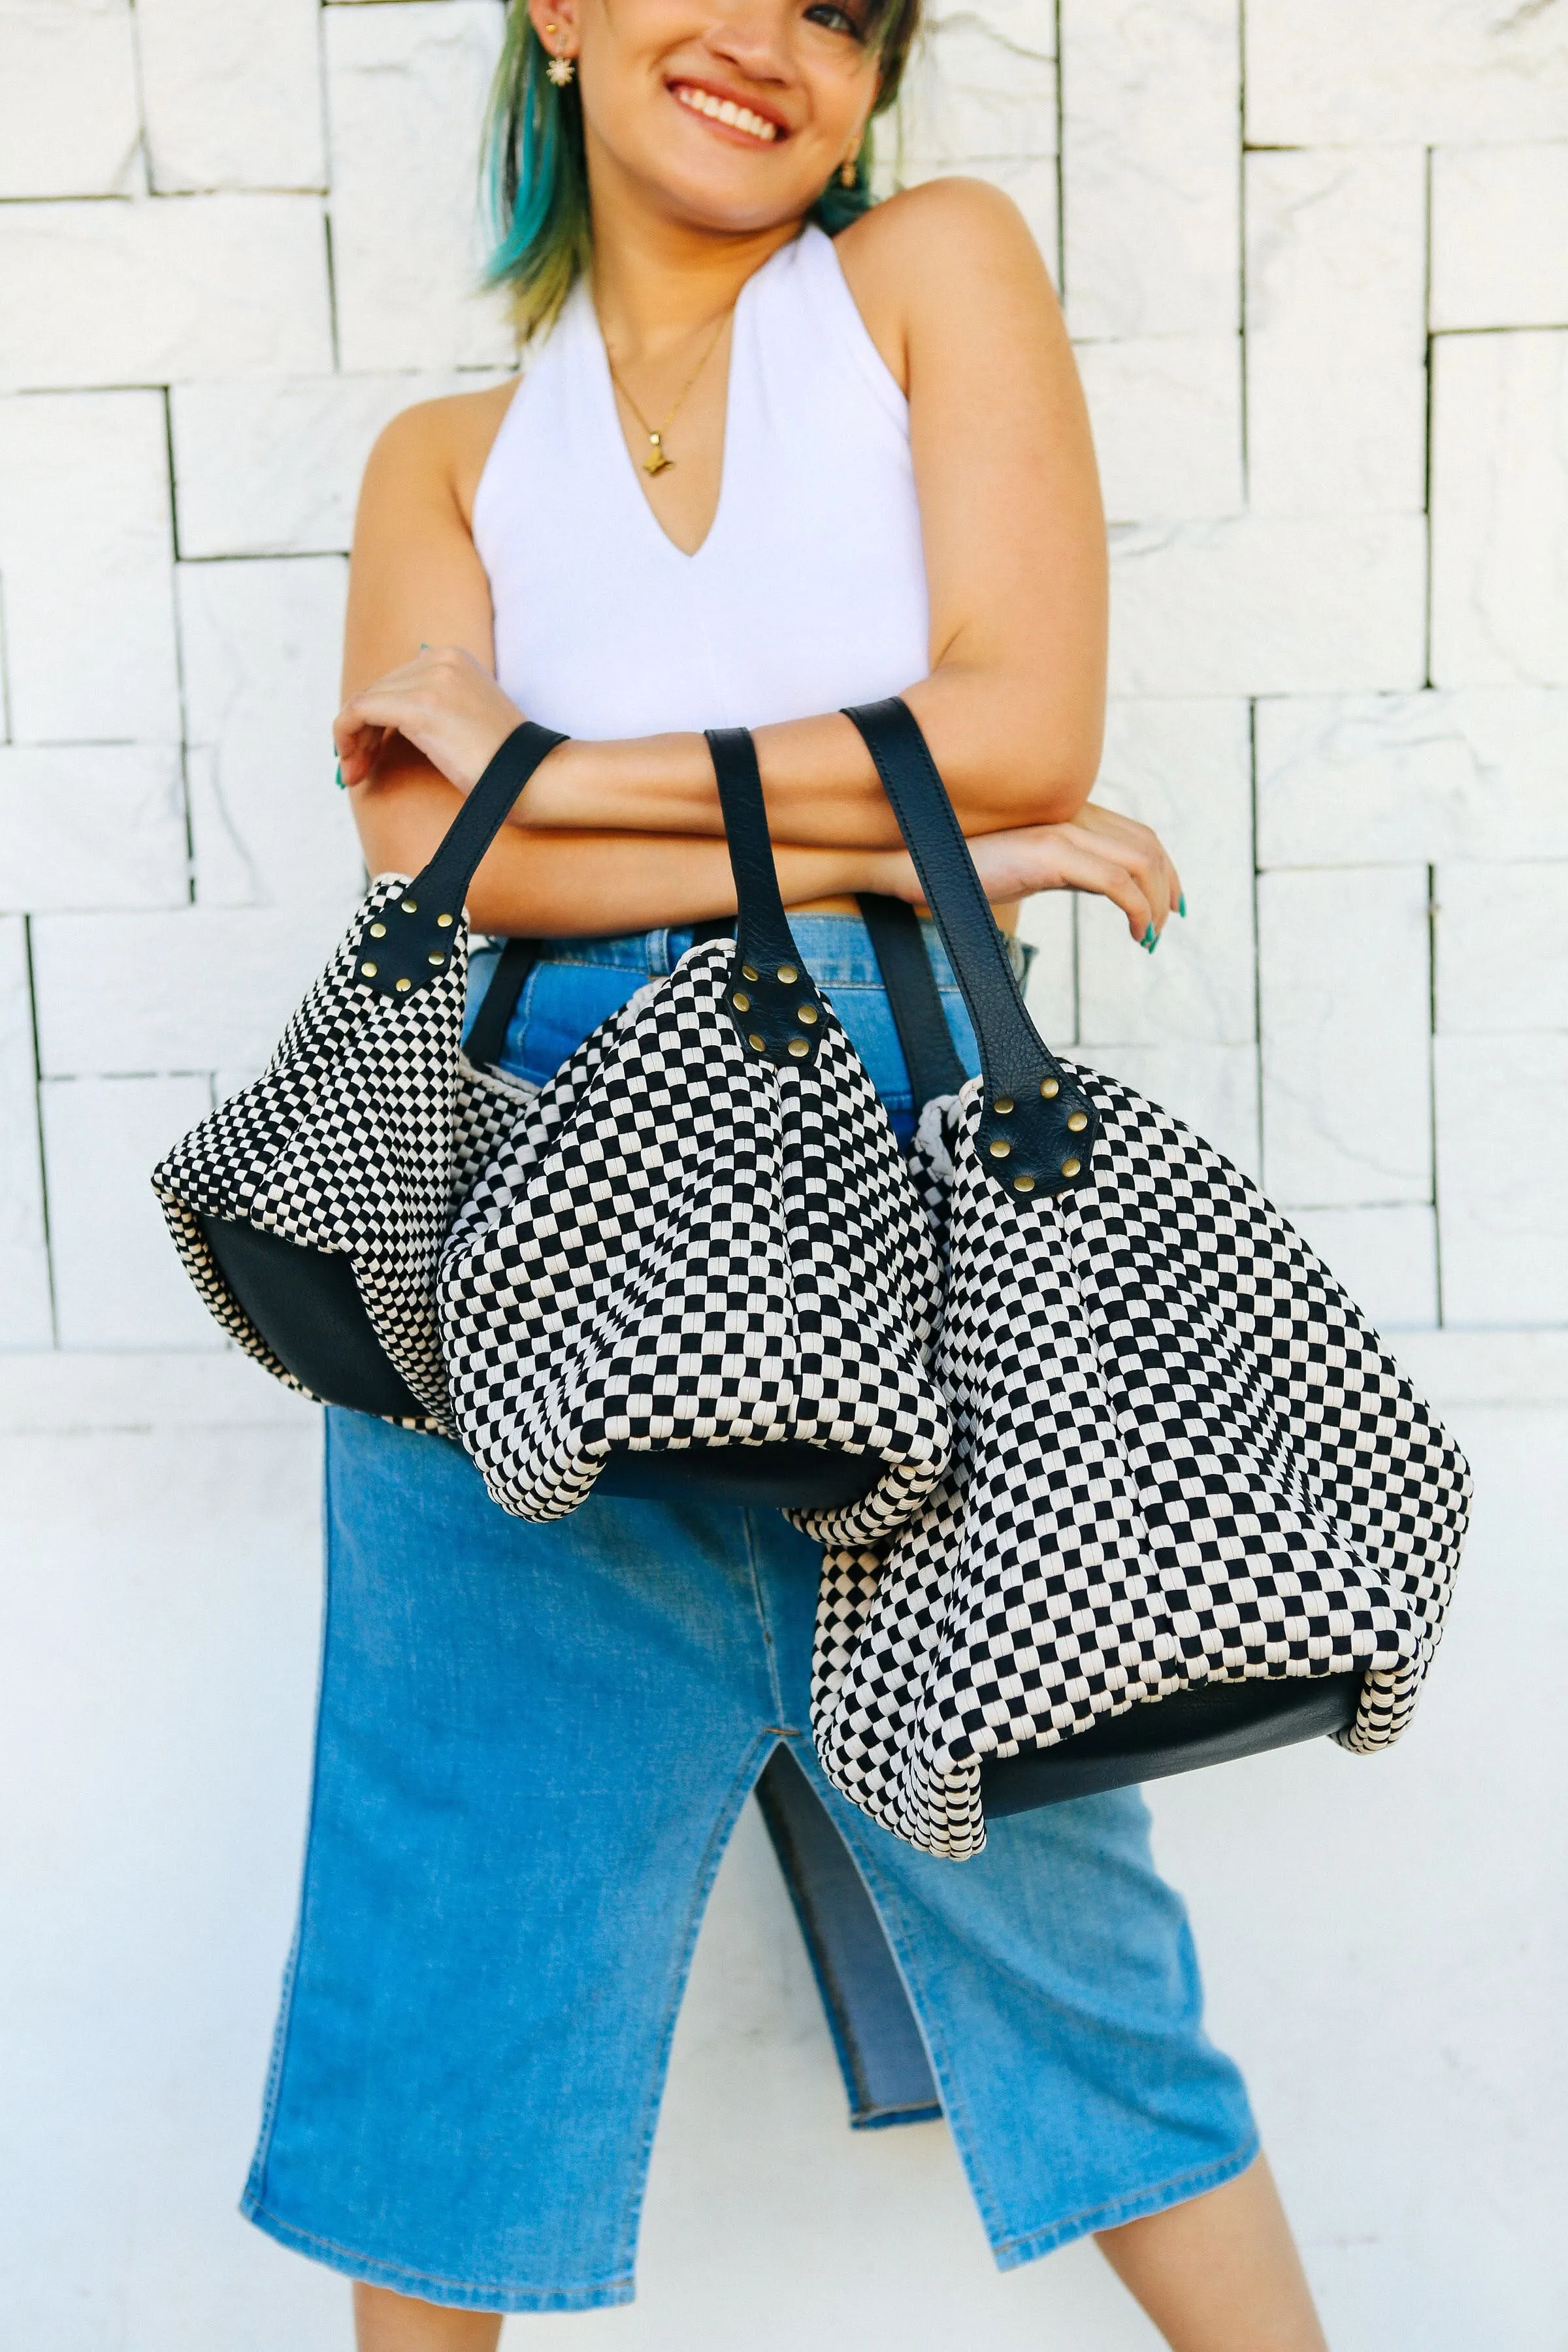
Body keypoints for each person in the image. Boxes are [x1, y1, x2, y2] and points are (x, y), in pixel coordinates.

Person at [246, 0, 1330, 2343]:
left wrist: (548, 759)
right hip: (497, 1226)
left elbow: (1024, 722)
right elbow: (430, 862)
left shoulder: (929, 270)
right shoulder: (452, 452)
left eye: (844, 11)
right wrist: (909, 825)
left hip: (920, 1204)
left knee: (1077, 1943)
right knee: (447, 1963)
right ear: (559, 13)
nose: (772, 40)